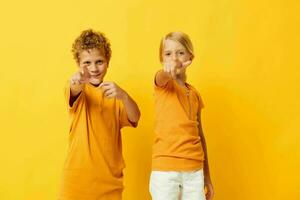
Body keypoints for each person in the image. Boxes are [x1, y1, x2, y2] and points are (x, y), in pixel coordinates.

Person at [58, 29, 140, 200]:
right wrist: (77, 81)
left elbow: (135, 117)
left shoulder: (115, 95)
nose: (94, 68)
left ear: (108, 62)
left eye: (99, 61)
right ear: (79, 65)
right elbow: (74, 88)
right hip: (76, 183)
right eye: (87, 63)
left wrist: (124, 96)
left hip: (109, 184)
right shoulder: (78, 89)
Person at [149, 31, 214, 200]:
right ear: (162, 60)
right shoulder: (163, 84)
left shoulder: (194, 94)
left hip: (194, 170)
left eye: (180, 53)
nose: (174, 59)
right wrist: (166, 72)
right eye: (168, 54)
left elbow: (200, 135)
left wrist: (207, 176)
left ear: (190, 57)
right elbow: (160, 77)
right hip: (165, 171)